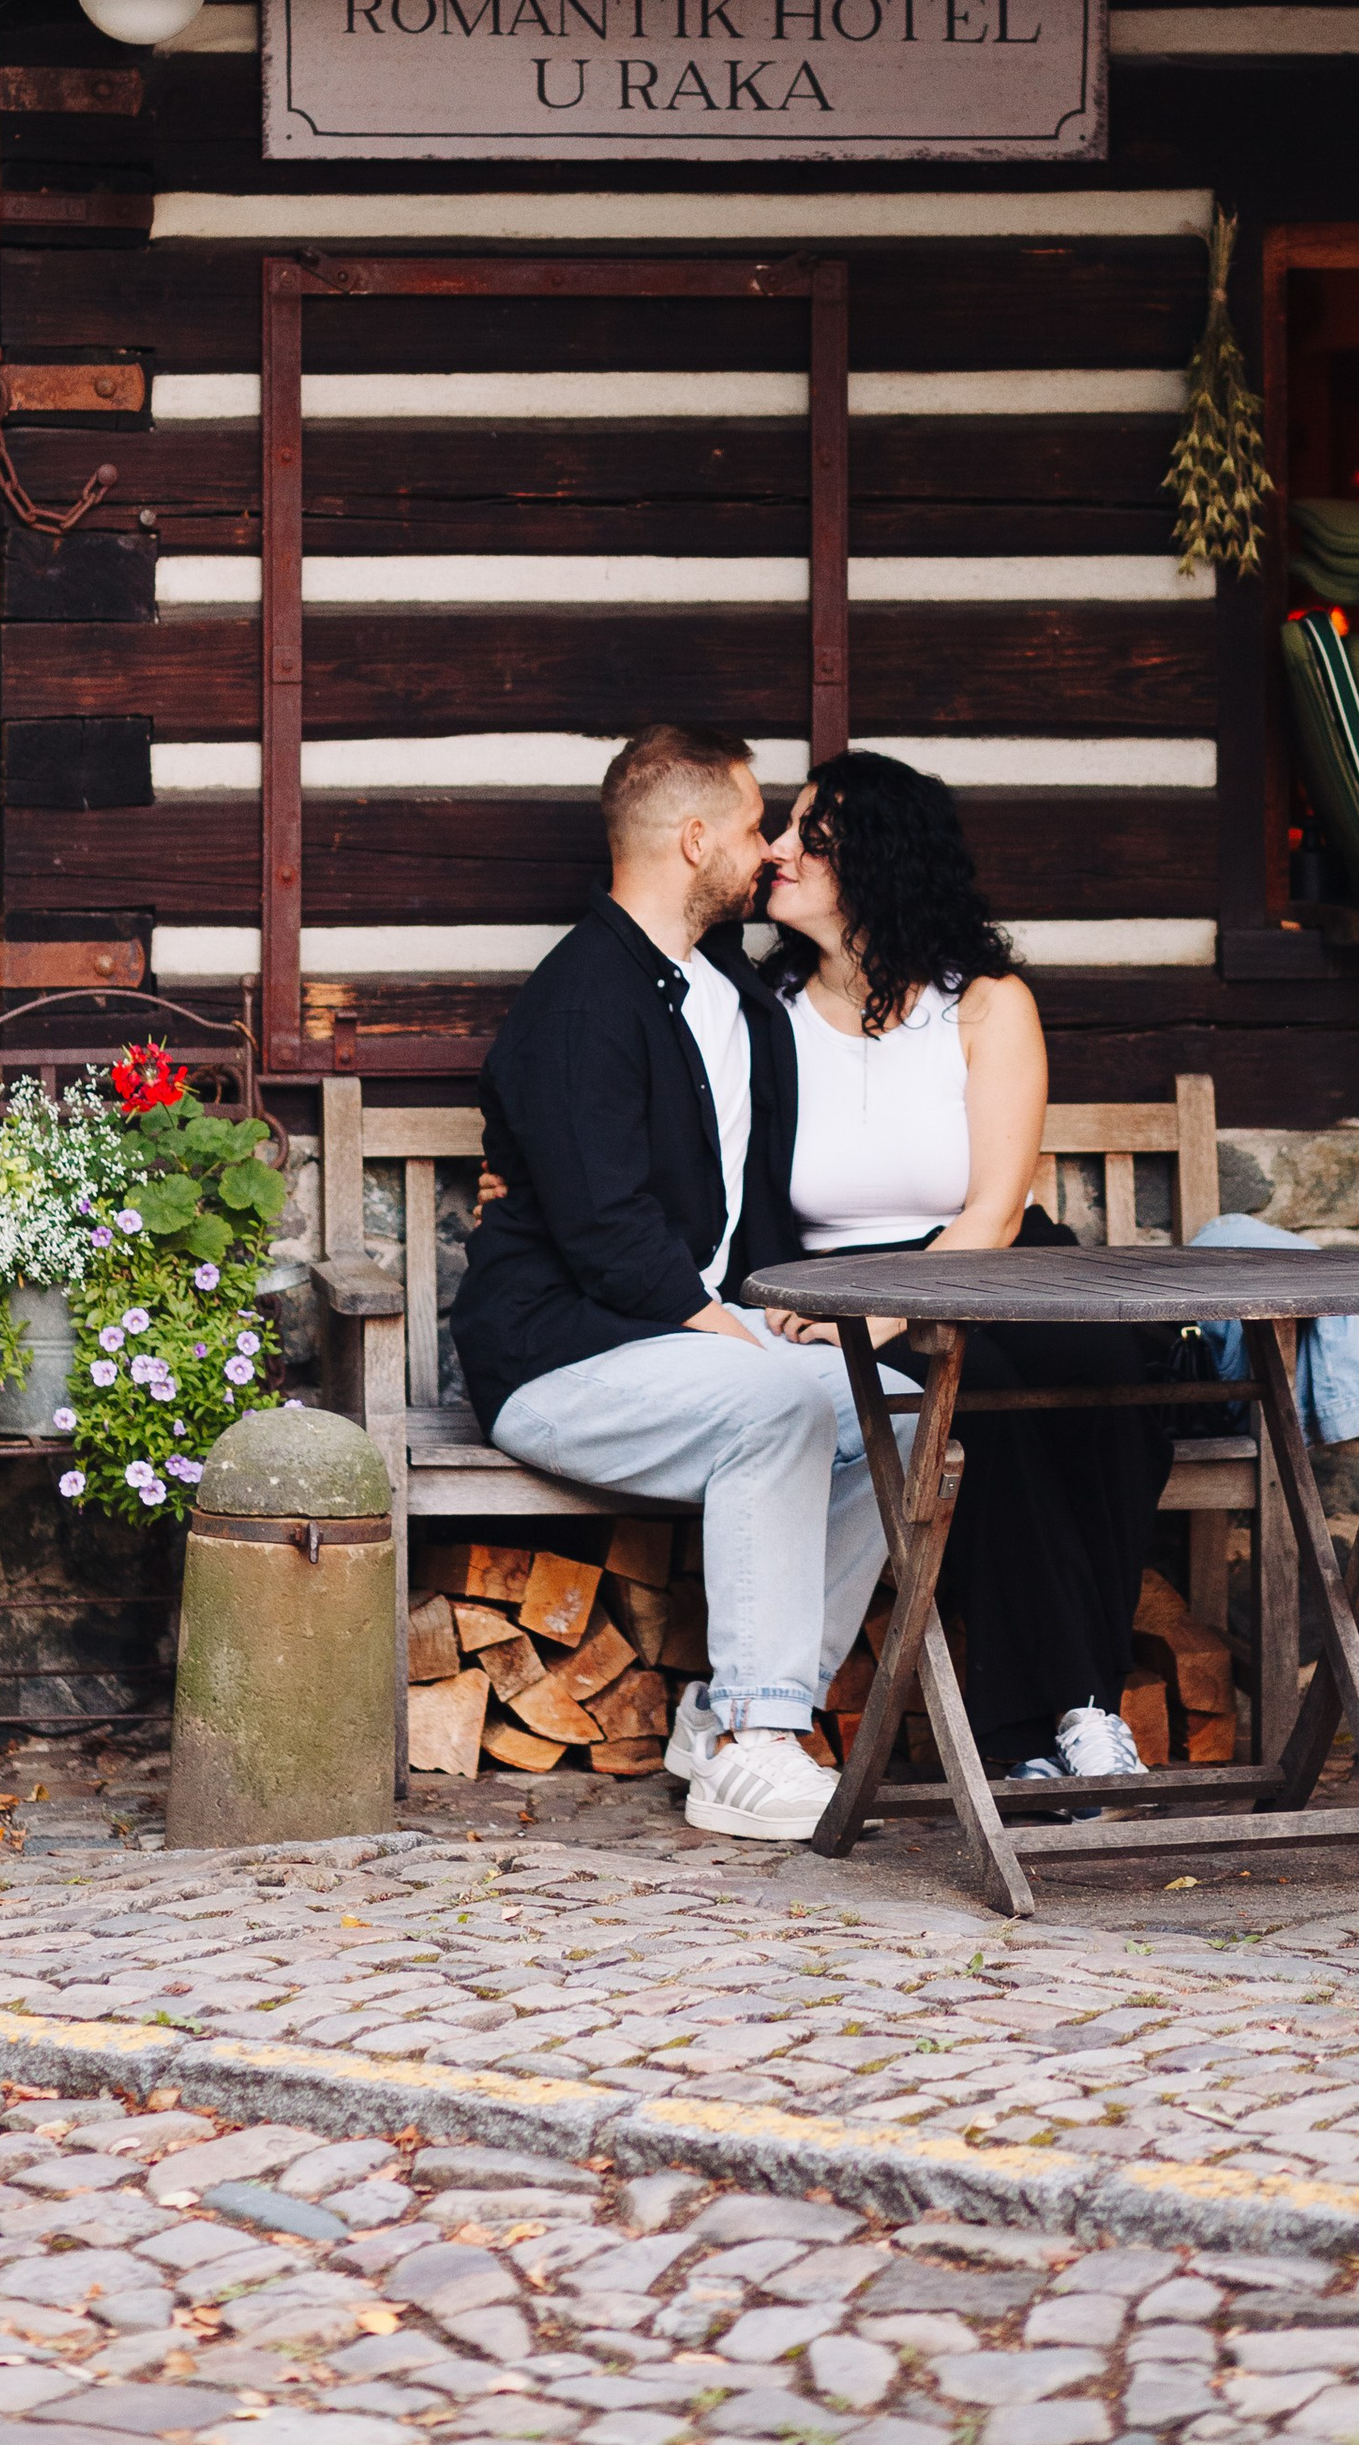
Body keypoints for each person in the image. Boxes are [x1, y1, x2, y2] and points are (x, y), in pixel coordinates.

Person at [449, 722, 897, 1846]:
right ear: (693, 838)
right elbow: (604, 1227)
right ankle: (757, 1741)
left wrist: (774, 1308)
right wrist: (728, 1332)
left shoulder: (736, 1003)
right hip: (560, 1361)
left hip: (689, 1346)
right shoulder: (578, 999)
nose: (770, 853)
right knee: (787, 1398)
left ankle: (720, 1715)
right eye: (752, 828)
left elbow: (740, 1212)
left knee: (912, 1420)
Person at [758, 748, 1176, 1794]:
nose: (775, 851)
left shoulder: (984, 1004)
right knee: (982, 1402)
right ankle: (1052, 1718)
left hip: (991, 1258)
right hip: (843, 1284)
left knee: (1118, 1371)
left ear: (880, 862)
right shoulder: (759, 1014)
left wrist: (904, 1311)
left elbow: (991, 1206)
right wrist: (865, 1313)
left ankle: (1077, 1709)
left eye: (808, 832)